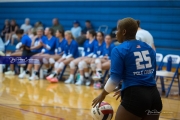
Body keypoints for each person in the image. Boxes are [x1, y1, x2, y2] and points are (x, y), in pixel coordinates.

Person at [92, 18, 162, 120]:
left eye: (117, 30)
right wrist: (126, 88)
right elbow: (151, 74)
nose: (116, 33)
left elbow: (114, 79)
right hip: (154, 98)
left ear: (124, 32)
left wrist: (102, 95)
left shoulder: (119, 49)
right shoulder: (148, 47)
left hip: (135, 98)